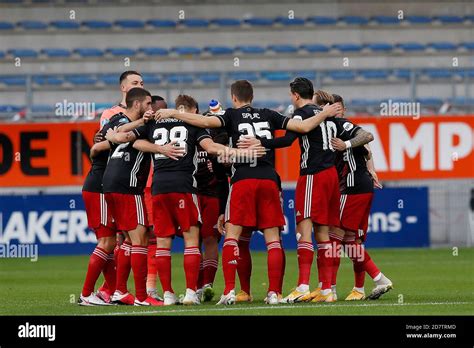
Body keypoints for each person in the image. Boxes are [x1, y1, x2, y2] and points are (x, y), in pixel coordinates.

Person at [155, 80, 342, 305]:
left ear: (234, 98)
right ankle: (274, 293)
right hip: (268, 180)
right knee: (273, 239)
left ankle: (230, 291)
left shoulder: (231, 115)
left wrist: (173, 113)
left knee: (233, 236)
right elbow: (302, 128)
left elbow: (203, 120)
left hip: (242, 179)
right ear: (252, 96)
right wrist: (325, 113)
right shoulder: (270, 114)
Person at [132, 94, 265, 305]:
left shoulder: (153, 122)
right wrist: (245, 154)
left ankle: (167, 294)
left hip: (158, 188)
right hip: (184, 186)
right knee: (192, 240)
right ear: (193, 111)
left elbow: (134, 140)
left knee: (163, 244)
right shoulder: (193, 125)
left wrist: (158, 148)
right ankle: (191, 292)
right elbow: (212, 149)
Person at [329, 93, 393, 301]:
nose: (336, 112)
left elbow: (367, 138)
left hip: (351, 187)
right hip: (358, 186)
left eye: (338, 109)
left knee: (337, 237)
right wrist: (371, 168)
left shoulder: (344, 128)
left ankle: (330, 288)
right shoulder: (331, 129)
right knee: (353, 239)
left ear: (343, 111)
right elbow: (367, 151)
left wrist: (368, 167)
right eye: (332, 108)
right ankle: (359, 289)